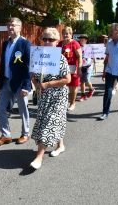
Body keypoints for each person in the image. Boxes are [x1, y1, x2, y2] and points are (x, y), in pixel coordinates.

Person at [30, 27, 71, 169]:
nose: (47, 42)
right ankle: (61, 145)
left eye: (51, 40)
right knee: (53, 121)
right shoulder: (38, 56)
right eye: (44, 39)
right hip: (43, 96)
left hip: (58, 96)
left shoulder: (60, 58)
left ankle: (39, 157)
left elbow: (67, 79)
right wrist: (36, 84)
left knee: (49, 123)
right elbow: (33, 76)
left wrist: (48, 84)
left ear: (57, 41)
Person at [0, 17, 31, 146]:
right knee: (0, 108)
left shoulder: (25, 44)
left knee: (22, 109)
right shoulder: (5, 43)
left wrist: (26, 85)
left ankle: (25, 134)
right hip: (5, 82)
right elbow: (3, 64)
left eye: (13, 25)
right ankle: (6, 135)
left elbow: (28, 66)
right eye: (9, 25)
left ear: (20, 27)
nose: (10, 27)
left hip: (20, 83)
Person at [98, 23, 118, 120]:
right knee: (107, 92)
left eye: (113, 31)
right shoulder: (109, 42)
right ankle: (105, 112)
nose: (111, 33)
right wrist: (104, 71)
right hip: (110, 70)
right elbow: (107, 57)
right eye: (110, 31)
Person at [57, 27, 82, 111]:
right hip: (62, 68)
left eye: (67, 33)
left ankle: (72, 103)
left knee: (73, 87)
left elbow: (79, 57)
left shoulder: (75, 43)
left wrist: (79, 68)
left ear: (71, 34)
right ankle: (62, 103)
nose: (65, 35)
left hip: (73, 68)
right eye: (63, 33)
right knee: (62, 86)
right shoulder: (60, 43)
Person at [78, 34, 95, 101]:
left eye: (83, 39)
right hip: (81, 66)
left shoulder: (89, 47)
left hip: (88, 66)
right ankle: (83, 95)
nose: (81, 40)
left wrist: (91, 63)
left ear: (86, 40)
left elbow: (93, 57)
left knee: (87, 80)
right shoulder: (78, 47)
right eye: (80, 39)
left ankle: (92, 89)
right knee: (82, 82)